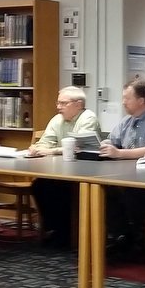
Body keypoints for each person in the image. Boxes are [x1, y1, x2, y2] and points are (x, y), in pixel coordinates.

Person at [102, 79, 145, 259]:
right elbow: (113, 140)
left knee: (133, 193)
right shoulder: (126, 121)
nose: (123, 102)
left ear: (141, 100)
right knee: (104, 189)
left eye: (127, 98)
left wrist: (119, 153)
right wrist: (105, 145)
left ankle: (138, 240)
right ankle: (120, 235)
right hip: (125, 173)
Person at [29, 86, 100, 247]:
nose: (58, 107)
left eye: (63, 103)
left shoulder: (88, 118)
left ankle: (68, 232)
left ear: (78, 104)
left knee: (63, 189)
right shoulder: (57, 119)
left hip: (84, 171)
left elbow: (77, 147)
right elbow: (46, 142)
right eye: (58, 103)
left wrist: (51, 151)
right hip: (60, 170)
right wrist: (37, 148)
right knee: (39, 185)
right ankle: (55, 228)